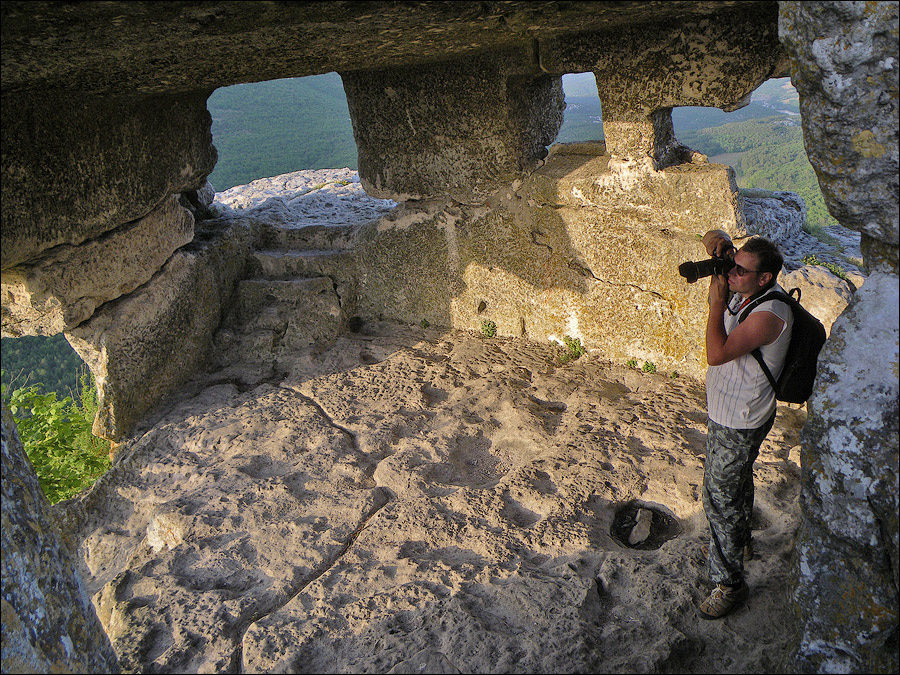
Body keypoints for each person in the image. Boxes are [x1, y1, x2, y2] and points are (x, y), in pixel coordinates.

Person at [697, 229, 793, 620]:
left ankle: (729, 583)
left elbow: (716, 354)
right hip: (726, 413)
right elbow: (711, 235)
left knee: (717, 498)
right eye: (731, 266)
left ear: (764, 278)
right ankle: (743, 542)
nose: (731, 274)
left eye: (740, 270)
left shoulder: (770, 313)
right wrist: (720, 246)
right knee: (736, 485)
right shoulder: (748, 289)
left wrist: (716, 305)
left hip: (741, 420)